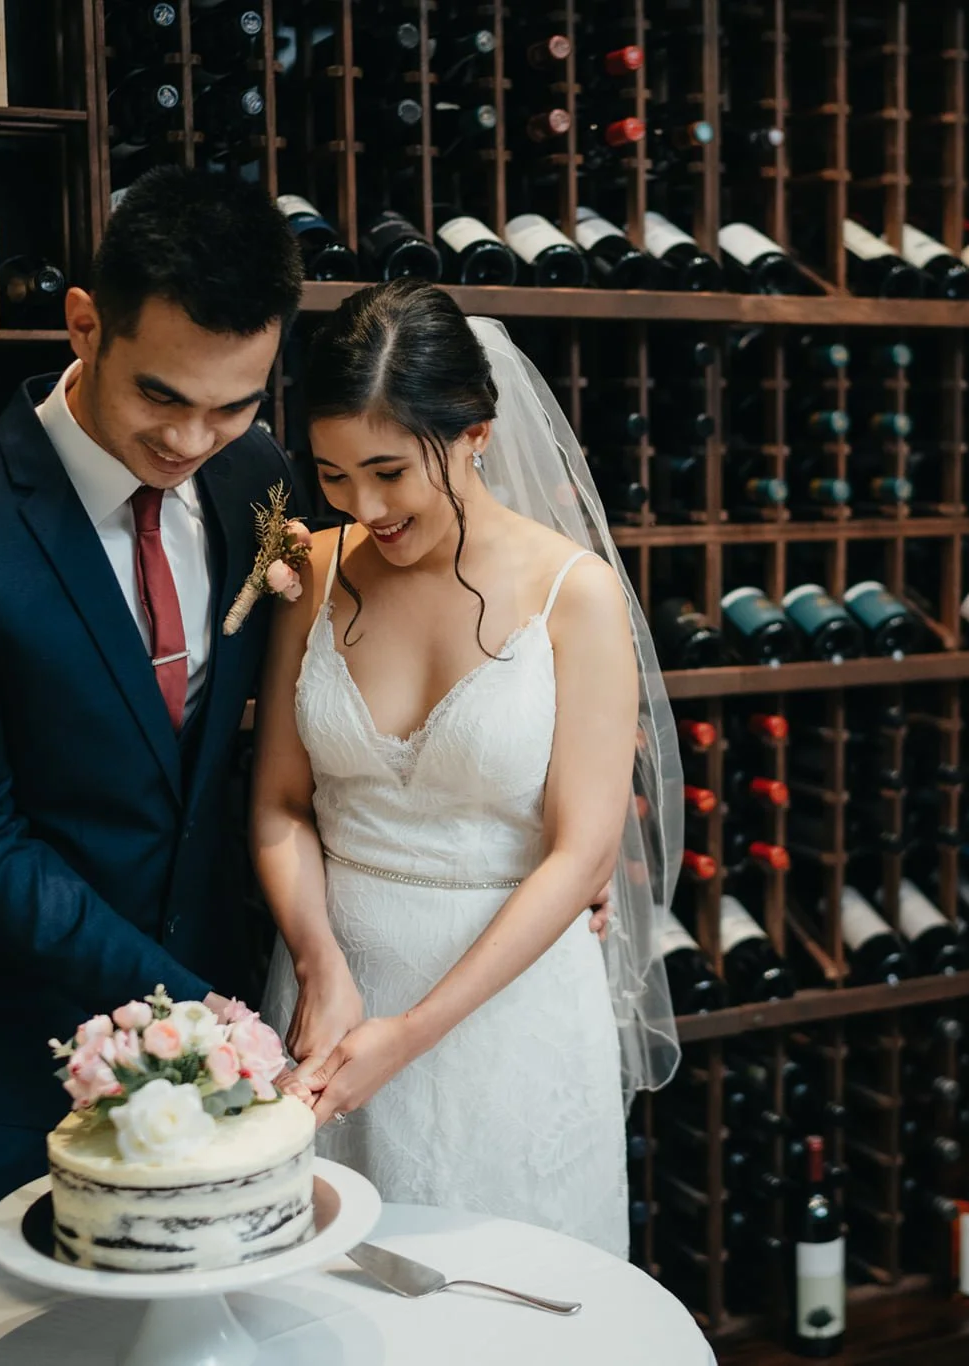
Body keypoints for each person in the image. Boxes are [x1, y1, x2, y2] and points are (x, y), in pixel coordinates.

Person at [0, 166, 315, 1298]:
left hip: (216, 1024)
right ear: (84, 323)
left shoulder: (261, 479)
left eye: (236, 401)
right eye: (164, 395)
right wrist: (194, 1012)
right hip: (5, 1048)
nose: (195, 437)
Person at [253, 278, 683, 1256]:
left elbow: (580, 856)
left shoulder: (576, 595)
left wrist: (409, 1034)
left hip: (505, 1003)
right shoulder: (311, 572)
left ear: (476, 433)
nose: (364, 507)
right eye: (331, 474)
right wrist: (319, 964)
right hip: (332, 985)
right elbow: (280, 802)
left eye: (389, 471)